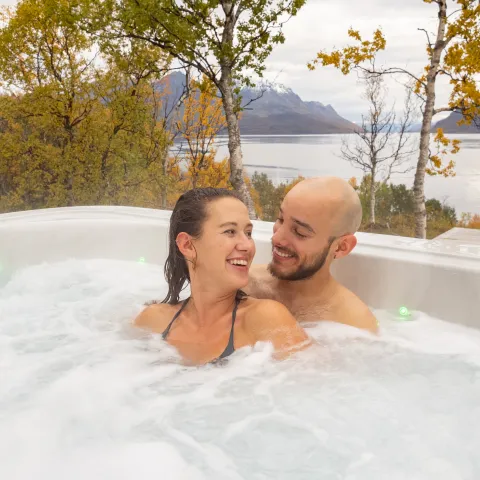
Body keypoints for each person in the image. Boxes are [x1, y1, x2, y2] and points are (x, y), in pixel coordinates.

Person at [134, 188, 310, 365]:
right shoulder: (153, 321)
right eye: (230, 232)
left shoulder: (267, 320)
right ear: (187, 245)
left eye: (248, 233)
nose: (247, 246)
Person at [246, 176, 378, 333]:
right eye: (280, 219)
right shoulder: (244, 283)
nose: (276, 238)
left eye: (299, 232)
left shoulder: (353, 326)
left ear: (341, 247)